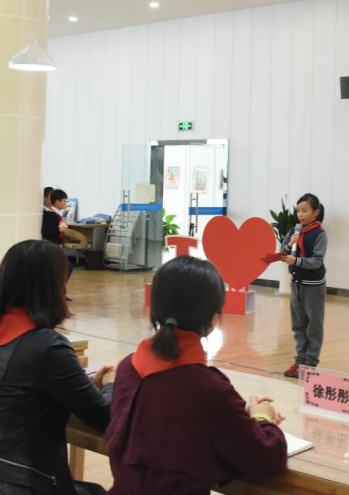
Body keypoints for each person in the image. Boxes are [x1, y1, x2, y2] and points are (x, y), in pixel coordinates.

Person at [106, 256, 287, 494]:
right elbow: (267, 458)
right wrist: (262, 416)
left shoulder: (128, 367)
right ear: (213, 319)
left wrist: (235, 413)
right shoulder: (206, 387)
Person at [0, 239, 114, 495]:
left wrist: (85, 386)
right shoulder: (48, 346)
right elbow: (105, 418)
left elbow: (29, 391)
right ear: (52, 287)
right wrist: (111, 385)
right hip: (9, 483)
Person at [280, 193, 328, 378]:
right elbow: (282, 254)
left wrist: (296, 261)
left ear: (315, 212)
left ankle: (310, 364)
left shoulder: (319, 234)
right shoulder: (294, 231)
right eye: (298, 211)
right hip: (296, 283)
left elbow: (316, 261)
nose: (300, 214)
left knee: (313, 326)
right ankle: (299, 361)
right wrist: (288, 246)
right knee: (298, 325)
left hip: (313, 286)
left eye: (305, 211)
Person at [42, 188, 73, 300]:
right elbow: (46, 231)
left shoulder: (54, 213)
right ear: (58, 202)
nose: (66, 203)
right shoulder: (49, 215)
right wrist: (60, 230)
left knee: (65, 268)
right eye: (64, 201)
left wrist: (59, 243)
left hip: (54, 245)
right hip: (49, 246)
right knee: (66, 267)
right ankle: (57, 293)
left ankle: (59, 292)